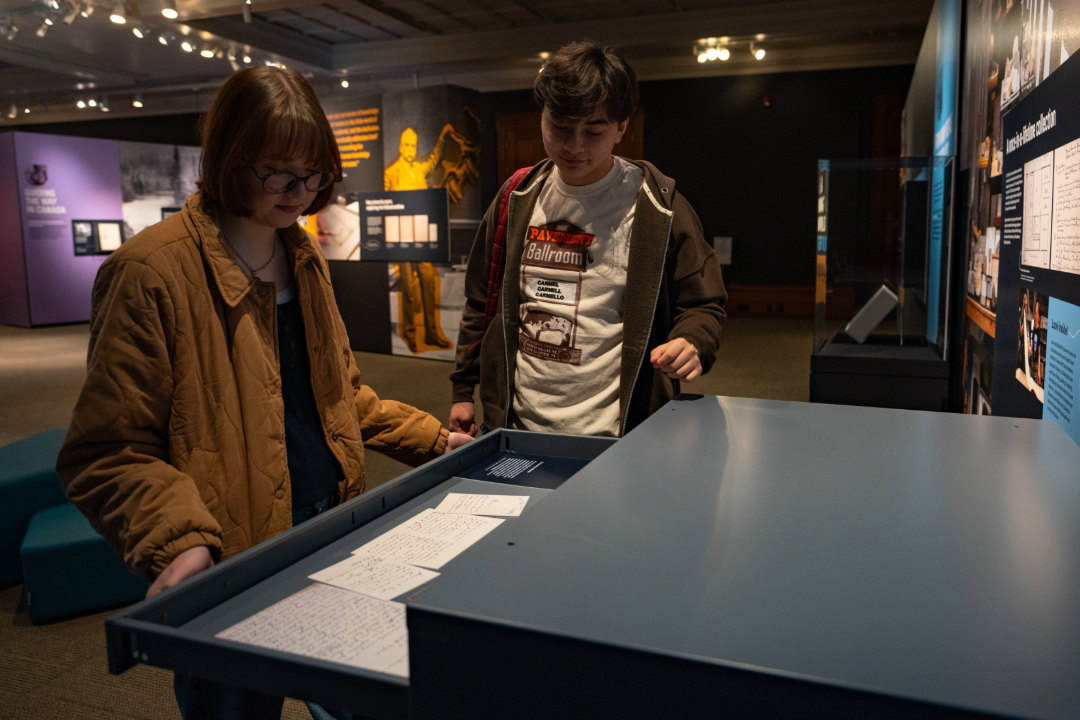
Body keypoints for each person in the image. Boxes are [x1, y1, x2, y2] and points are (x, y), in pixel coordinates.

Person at [56, 66, 471, 719]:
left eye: (314, 175)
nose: (300, 193)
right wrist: (179, 538)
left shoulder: (301, 256)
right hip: (233, 553)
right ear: (230, 158)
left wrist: (434, 441)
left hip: (332, 526)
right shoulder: (150, 273)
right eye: (278, 173)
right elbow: (108, 449)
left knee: (359, 698)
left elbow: (338, 396)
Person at [449, 41, 726, 438]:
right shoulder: (518, 196)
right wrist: (463, 390)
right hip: (517, 423)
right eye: (560, 127)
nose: (574, 146)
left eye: (593, 131)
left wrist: (692, 340)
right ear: (542, 117)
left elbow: (703, 302)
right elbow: (480, 300)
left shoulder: (657, 205)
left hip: (619, 431)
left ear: (621, 128)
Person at [384, 127, 456, 353]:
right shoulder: (391, 173)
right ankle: (410, 334)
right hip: (402, 241)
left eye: (413, 145)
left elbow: (434, 159)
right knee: (407, 289)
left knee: (428, 283)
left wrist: (442, 138)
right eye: (407, 145)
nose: (410, 149)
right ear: (400, 146)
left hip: (422, 238)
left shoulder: (419, 169)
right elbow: (383, 207)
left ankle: (431, 333)